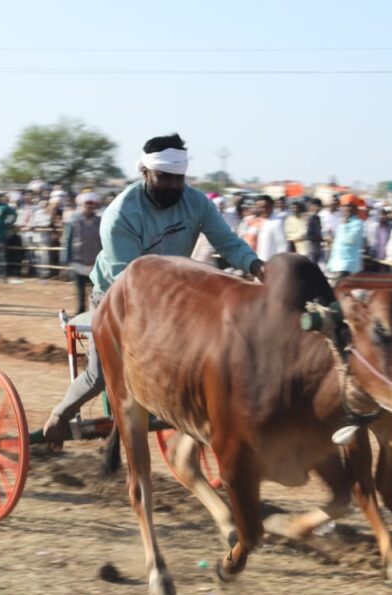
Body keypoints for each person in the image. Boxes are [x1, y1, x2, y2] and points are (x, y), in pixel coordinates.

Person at [43, 133, 266, 448]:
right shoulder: (120, 215)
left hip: (173, 293)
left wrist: (257, 266)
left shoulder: (197, 202)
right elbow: (130, 284)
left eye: (180, 178)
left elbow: (227, 242)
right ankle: (60, 414)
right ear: (145, 172)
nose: (175, 186)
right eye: (165, 178)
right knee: (102, 374)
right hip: (117, 295)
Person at [62, 192, 102, 315]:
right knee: (80, 292)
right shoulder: (73, 221)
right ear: (82, 205)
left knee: (97, 291)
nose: (89, 207)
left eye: (92, 205)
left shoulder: (101, 221)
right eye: (87, 204)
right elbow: (67, 241)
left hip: (96, 263)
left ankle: (96, 315)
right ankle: (79, 314)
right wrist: (65, 260)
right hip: (78, 262)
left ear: (95, 206)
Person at [326, 196, 364, 279]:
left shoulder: (358, 223)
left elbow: (349, 240)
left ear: (355, 209)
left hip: (347, 265)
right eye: (344, 206)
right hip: (336, 264)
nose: (346, 208)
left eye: (349, 206)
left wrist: (345, 225)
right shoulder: (342, 222)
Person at [254, 195, 287, 263]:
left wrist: (280, 263)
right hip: (257, 260)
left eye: (264, 207)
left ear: (271, 206)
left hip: (270, 262)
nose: (262, 210)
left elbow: (282, 245)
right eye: (259, 207)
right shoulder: (257, 221)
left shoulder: (277, 222)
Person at [304, 198, 324, 264]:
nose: (318, 208)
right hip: (311, 248)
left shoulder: (318, 218)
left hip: (318, 248)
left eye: (319, 206)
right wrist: (319, 238)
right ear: (311, 206)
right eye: (316, 206)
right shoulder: (310, 218)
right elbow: (307, 235)